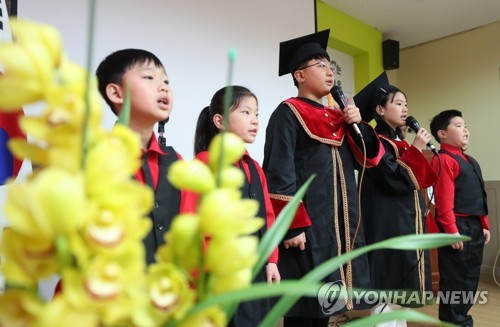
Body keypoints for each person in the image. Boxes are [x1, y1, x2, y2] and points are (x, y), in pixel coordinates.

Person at [262, 30, 384, 327]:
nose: (329, 70)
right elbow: (279, 172)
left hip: (342, 226)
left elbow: (369, 160)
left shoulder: (339, 117)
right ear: (300, 75)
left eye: (330, 65)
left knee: (329, 308)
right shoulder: (288, 113)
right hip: (308, 228)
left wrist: (359, 125)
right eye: (320, 64)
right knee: (306, 312)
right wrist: (291, 226)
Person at [192, 85, 280, 326]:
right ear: (219, 121)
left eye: (257, 114)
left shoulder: (255, 168)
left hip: (256, 271)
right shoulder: (205, 164)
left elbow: (268, 218)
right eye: (245, 112)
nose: (254, 120)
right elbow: (196, 222)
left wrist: (271, 260)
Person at [353, 74, 438, 326]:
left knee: (399, 293)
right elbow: (393, 177)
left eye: (406, 104)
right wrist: (415, 148)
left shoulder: (398, 141)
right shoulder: (373, 139)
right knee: (386, 289)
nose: (405, 109)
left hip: (405, 223)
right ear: (380, 109)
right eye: (398, 103)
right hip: (385, 225)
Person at [96, 48, 184, 265]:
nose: (163, 86)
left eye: (166, 81)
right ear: (116, 93)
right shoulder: (96, 158)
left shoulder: (177, 162)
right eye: (149, 77)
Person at [429, 109, 491, 326]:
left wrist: (484, 224)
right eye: (458, 125)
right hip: (457, 227)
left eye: (465, 125)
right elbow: (444, 202)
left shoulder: (470, 160)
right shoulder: (443, 160)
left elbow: (479, 195)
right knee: (456, 281)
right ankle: (454, 321)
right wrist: (451, 231)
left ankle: (462, 319)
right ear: (442, 134)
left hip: (473, 226)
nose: (465, 129)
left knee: (470, 279)